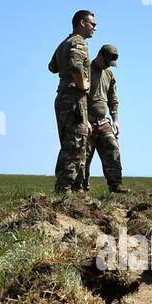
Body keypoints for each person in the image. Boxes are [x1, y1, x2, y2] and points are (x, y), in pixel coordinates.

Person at [48, 10, 96, 192]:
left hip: (63, 98)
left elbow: (52, 66)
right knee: (74, 146)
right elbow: (76, 66)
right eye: (92, 24)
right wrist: (82, 83)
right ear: (82, 23)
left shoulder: (64, 43)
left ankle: (72, 188)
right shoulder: (78, 42)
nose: (94, 28)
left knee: (72, 143)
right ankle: (65, 190)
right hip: (73, 99)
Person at [83, 44, 126, 192]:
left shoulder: (109, 75)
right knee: (84, 157)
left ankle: (116, 185)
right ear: (100, 55)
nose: (108, 66)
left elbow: (113, 99)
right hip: (86, 120)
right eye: (107, 62)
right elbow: (79, 96)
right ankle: (82, 189)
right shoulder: (86, 70)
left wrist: (115, 120)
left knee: (112, 147)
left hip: (103, 121)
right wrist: (85, 120)